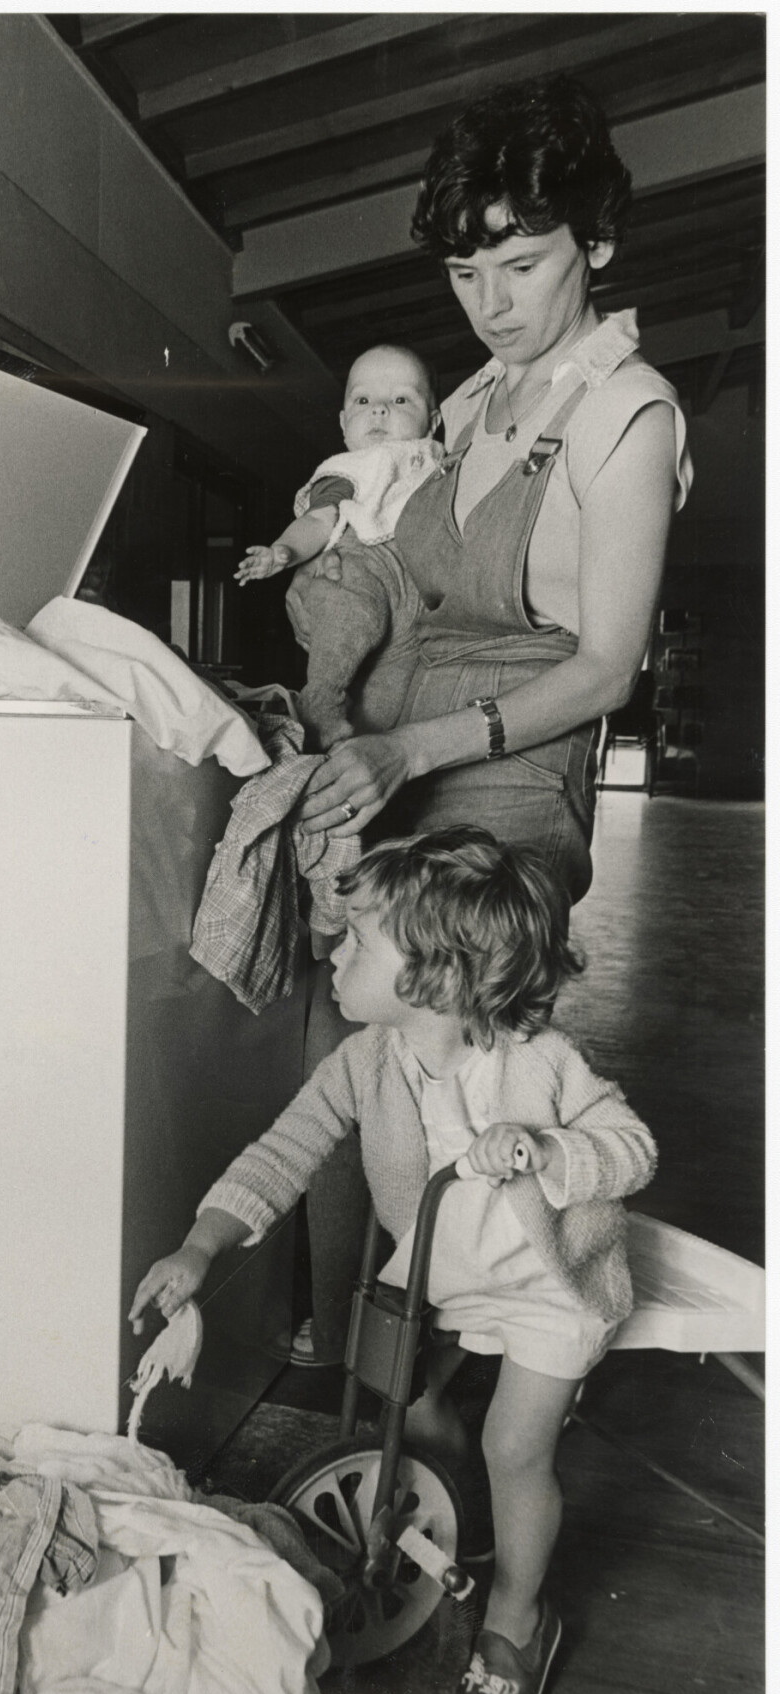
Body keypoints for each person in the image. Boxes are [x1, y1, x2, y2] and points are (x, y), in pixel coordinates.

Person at [287, 71, 692, 1369]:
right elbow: (393, 568)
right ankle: (357, 1358)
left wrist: (411, 747)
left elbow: (608, 669)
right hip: (394, 753)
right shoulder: (465, 405)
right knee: (344, 1042)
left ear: (598, 242)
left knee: (439, 1061)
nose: (492, 305)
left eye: (522, 265)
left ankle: (452, 1363)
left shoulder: (626, 415)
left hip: (509, 781)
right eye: (466, 273)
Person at [131, 828, 656, 1694]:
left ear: (437, 975)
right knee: (408, 1404)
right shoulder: (364, 1062)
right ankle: (467, 1514)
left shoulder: (538, 1061)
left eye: (358, 940)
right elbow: (283, 1152)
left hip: (548, 1286)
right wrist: (199, 1247)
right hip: (446, 1273)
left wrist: (548, 1148)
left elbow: (633, 1148)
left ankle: (518, 1615)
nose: (333, 953)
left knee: (513, 1446)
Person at [236, 345, 443, 751]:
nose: (379, 409)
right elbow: (318, 519)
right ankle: (320, 701)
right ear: (344, 423)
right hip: (360, 567)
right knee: (350, 618)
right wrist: (283, 551)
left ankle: (363, 748)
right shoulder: (350, 468)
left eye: (401, 400)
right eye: (363, 401)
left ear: (433, 422)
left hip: (413, 599)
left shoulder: (440, 464)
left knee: (391, 696)